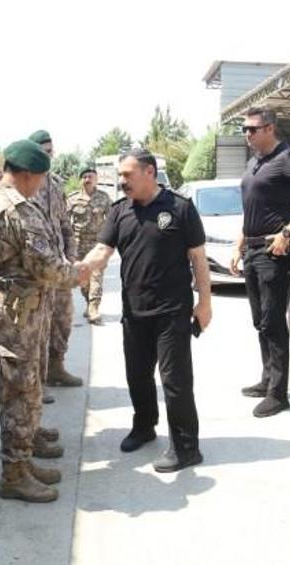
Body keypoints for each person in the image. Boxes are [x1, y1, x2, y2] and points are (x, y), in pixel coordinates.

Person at [82, 149, 211, 472]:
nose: (121, 181)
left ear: (149, 172)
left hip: (172, 311)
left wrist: (205, 302)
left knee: (174, 380)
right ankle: (144, 426)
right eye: (119, 175)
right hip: (134, 311)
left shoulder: (180, 208)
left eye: (127, 175)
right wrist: (76, 270)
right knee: (137, 375)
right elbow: (102, 251)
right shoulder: (119, 211)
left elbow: (198, 258)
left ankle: (186, 447)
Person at [0, 139, 86, 503]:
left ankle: (23, 460)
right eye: (39, 178)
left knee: (24, 388)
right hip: (15, 314)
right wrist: (82, 272)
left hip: (11, 307)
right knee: (19, 394)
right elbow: (49, 267)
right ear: (24, 175)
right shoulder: (18, 209)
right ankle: (14, 474)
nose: (42, 186)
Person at [230, 107, 290, 417]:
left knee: (273, 321)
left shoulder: (287, 159)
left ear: (270, 128)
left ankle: (278, 392)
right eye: (244, 129)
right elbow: (251, 209)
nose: (247, 134)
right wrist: (239, 245)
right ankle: (267, 378)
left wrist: (288, 232)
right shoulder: (254, 161)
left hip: (274, 253)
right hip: (252, 250)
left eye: (252, 129)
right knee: (260, 320)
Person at [29, 130, 82, 389]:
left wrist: (70, 256)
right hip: (36, 268)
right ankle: (36, 381)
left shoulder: (57, 184)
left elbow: (65, 223)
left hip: (59, 267)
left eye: (52, 151)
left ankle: (56, 367)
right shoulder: (26, 183)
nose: (51, 156)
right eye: (45, 152)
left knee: (63, 318)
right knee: (38, 325)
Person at [67, 166, 111, 324]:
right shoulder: (72, 199)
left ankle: (94, 307)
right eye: (84, 177)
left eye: (90, 176)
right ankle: (88, 303)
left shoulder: (104, 198)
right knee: (83, 277)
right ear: (81, 180)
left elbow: (111, 221)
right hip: (78, 244)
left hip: (98, 244)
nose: (87, 179)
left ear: (96, 179)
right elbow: (65, 222)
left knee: (97, 275)